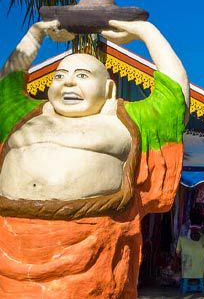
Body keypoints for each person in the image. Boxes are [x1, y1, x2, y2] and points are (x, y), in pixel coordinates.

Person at [0, 18, 189, 297]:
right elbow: (7, 84)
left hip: (90, 247)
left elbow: (175, 98)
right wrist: (35, 33)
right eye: (60, 76)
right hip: (11, 243)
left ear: (109, 90)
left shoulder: (125, 120)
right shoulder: (24, 117)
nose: (68, 84)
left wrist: (146, 32)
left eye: (82, 76)